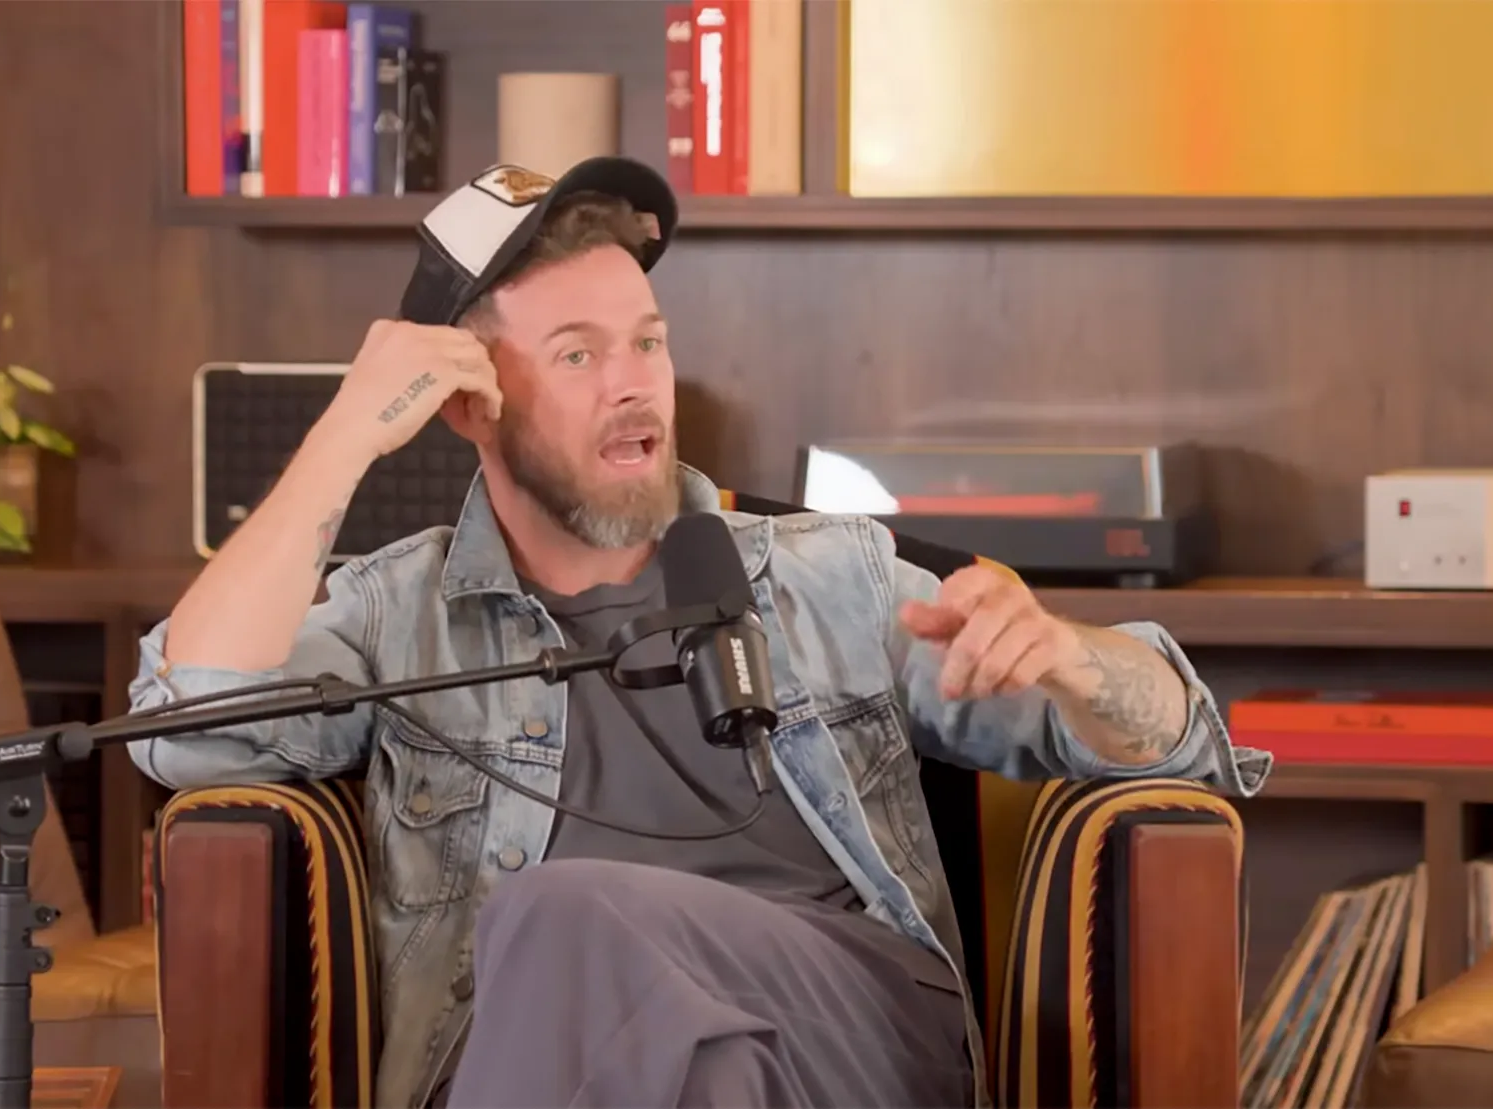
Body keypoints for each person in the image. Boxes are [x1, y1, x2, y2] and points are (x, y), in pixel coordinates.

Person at [127, 156, 1269, 1109]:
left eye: (648, 342)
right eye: (577, 354)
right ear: (465, 399)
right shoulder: (395, 612)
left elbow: (1182, 740)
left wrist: (1074, 659)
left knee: (571, 913)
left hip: (847, 1030)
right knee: (680, 1051)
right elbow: (188, 726)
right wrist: (340, 438)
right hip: (572, 1058)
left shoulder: (834, 575)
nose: (635, 386)